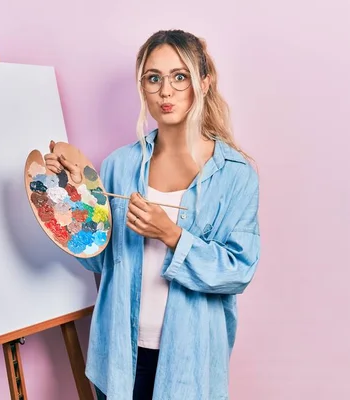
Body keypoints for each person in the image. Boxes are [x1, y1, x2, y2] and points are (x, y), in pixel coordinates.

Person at [45, 29, 261, 400]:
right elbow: (98, 262)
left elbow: (238, 270)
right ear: (142, 86)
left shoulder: (234, 173)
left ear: (204, 83)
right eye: (153, 78)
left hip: (190, 359)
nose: (166, 91)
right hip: (119, 354)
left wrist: (172, 235)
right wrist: (75, 197)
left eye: (180, 77)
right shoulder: (119, 165)